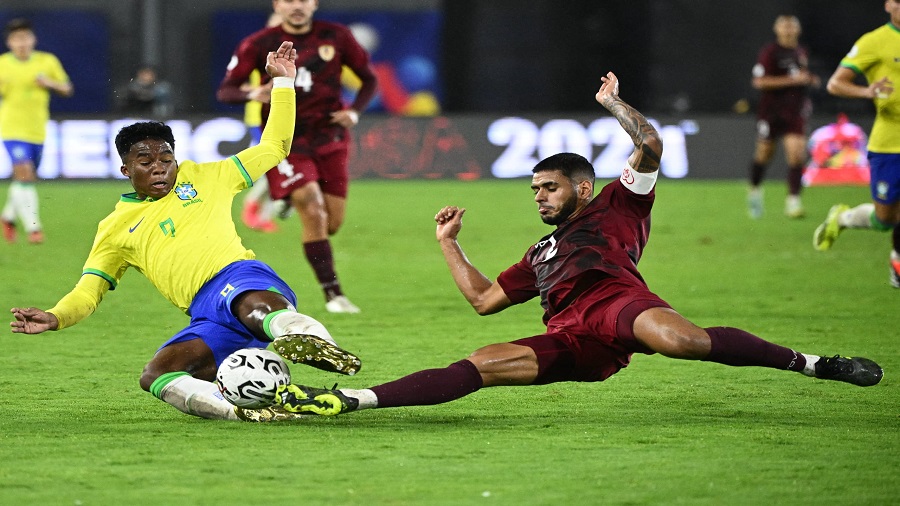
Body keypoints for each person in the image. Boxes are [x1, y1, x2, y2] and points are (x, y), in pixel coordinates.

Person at [229, 71, 883, 423]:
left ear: (581, 185)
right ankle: (353, 401)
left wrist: (614, 103)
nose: (539, 196)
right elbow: (485, 300)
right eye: (534, 188)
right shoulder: (541, 255)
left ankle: (814, 364)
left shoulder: (618, 205)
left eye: (548, 187)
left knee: (684, 341)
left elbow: (650, 143)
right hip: (572, 336)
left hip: (619, 303)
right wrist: (448, 244)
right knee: (481, 360)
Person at [9, 41, 362, 422]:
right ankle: (253, 412)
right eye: (146, 162)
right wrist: (56, 316)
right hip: (205, 315)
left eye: (167, 159)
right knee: (157, 375)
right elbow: (88, 291)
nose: (160, 168)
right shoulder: (114, 228)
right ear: (126, 170)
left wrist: (283, 84)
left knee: (254, 308)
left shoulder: (206, 176)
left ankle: (313, 341)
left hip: (239, 278)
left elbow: (275, 146)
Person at [217, 0, 379, 314]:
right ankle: (334, 296)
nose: (297, 6)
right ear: (277, 4)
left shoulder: (337, 36)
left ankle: (286, 197)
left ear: (314, 4)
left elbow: (368, 79)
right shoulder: (259, 43)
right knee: (313, 208)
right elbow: (226, 90)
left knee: (331, 223)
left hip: (330, 136)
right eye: (289, 0)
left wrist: (355, 113)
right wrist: (253, 93)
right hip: (286, 139)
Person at [814, 0, 900, 289]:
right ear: (889, 5)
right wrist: (867, 91)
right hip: (889, 144)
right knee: (885, 218)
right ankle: (845, 217)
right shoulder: (875, 41)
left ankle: (897, 263)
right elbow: (835, 84)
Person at [0, 18, 73, 244]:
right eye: (16, 39)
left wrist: (49, 83)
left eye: (25, 37)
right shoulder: (2, 64)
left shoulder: (47, 61)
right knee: (24, 173)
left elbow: (67, 88)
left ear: (33, 39)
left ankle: (8, 216)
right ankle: (34, 229)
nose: (21, 43)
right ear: (9, 42)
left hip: (37, 130)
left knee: (27, 178)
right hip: (12, 127)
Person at [746, 15, 820, 219]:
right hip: (771, 112)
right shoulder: (770, 52)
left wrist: (810, 80)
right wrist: (793, 80)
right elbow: (759, 82)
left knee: (797, 154)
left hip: (795, 112)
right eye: (784, 26)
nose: (788, 30)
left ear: (798, 29)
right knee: (764, 154)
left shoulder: (801, 51)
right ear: (776, 29)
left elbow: (801, 76)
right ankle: (754, 191)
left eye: (791, 26)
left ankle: (793, 201)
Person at [238, 11, 283, 234]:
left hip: (286, 117)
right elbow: (238, 84)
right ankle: (253, 205)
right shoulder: (256, 51)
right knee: (276, 166)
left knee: (280, 168)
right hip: (260, 118)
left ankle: (263, 216)